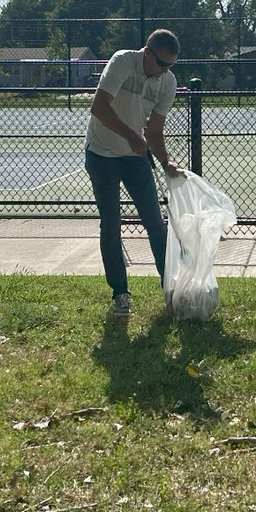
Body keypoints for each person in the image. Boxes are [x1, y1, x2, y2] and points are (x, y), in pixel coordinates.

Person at [85, 28, 183, 316]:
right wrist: (131, 135)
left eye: (170, 66)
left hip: (135, 158)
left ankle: (171, 290)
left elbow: (154, 131)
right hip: (101, 156)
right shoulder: (122, 62)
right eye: (161, 64)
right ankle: (120, 294)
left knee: (155, 222)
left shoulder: (167, 82)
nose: (164, 71)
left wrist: (166, 163)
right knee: (111, 225)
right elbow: (99, 107)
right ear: (147, 52)